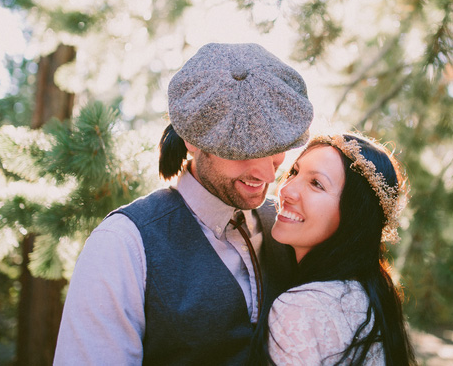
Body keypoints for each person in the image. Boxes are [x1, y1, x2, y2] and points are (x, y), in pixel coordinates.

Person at [53, 42, 313, 365]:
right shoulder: (123, 244)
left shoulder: (292, 225)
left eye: (275, 145)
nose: (266, 173)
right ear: (192, 140)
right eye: (242, 150)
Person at [250, 133, 417, 365]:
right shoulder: (373, 295)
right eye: (294, 172)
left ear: (353, 216)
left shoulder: (300, 309)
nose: (286, 190)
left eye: (316, 184)